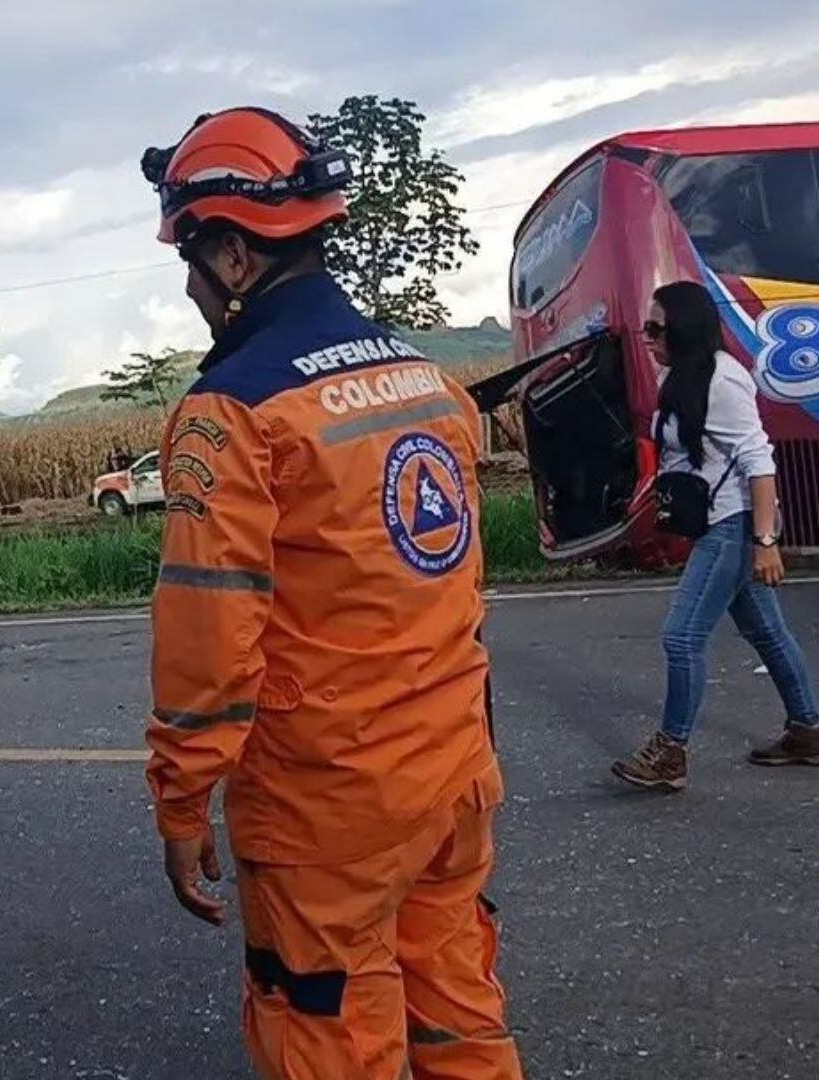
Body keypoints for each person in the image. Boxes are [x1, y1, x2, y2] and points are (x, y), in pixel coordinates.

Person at [140, 107, 523, 1080]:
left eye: (190, 261)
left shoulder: (233, 411)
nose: (189, 287)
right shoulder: (427, 385)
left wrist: (182, 808)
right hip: (452, 774)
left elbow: (209, 639)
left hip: (328, 806)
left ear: (232, 258)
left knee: (326, 1027)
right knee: (458, 1016)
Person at [612, 280, 819, 793]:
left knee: (681, 635)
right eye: (645, 328)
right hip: (717, 522)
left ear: (684, 328)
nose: (647, 339)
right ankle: (809, 731)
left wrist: (765, 542)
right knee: (767, 633)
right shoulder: (682, 378)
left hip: (733, 527)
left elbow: (759, 461)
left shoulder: (722, 381)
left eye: (656, 328)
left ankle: (670, 751)